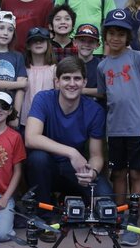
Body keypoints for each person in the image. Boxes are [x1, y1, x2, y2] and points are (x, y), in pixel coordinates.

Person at [97, 9, 140, 246]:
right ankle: (119, 216)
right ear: (106, 36)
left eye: (121, 34)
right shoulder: (102, 66)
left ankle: (134, 219)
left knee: (136, 173)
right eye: (111, 33)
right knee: (118, 173)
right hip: (115, 130)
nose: (116, 38)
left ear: (128, 37)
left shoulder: (137, 58)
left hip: (137, 128)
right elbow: (103, 96)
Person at [25, 57, 112, 207]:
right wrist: (72, 152)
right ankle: (44, 214)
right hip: (47, 169)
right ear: (57, 82)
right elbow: (31, 138)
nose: (72, 84)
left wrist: (92, 173)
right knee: (37, 158)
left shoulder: (95, 110)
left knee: (105, 198)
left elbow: (96, 155)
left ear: (84, 82)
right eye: (66, 78)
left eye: (77, 78)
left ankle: (72, 199)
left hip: (75, 170)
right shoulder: (43, 99)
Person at [0, 90, 25, 243]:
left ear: (9, 111)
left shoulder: (15, 137)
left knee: (1, 236)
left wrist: (6, 198)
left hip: (4, 195)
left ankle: (7, 220)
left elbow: (17, 171)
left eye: (4, 106)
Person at [19, 27, 56, 132]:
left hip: (48, 121)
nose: (38, 42)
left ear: (48, 44)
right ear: (28, 46)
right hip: (25, 121)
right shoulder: (23, 69)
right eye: (34, 40)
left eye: (42, 40)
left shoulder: (54, 69)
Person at [73, 23, 102, 101]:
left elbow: (106, 91)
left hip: (96, 108)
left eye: (91, 41)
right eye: (82, 40)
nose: (86, 44)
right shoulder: (68, 63)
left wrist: (82, 90)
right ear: (75, 42)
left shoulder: (102, 65)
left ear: (97, 45)